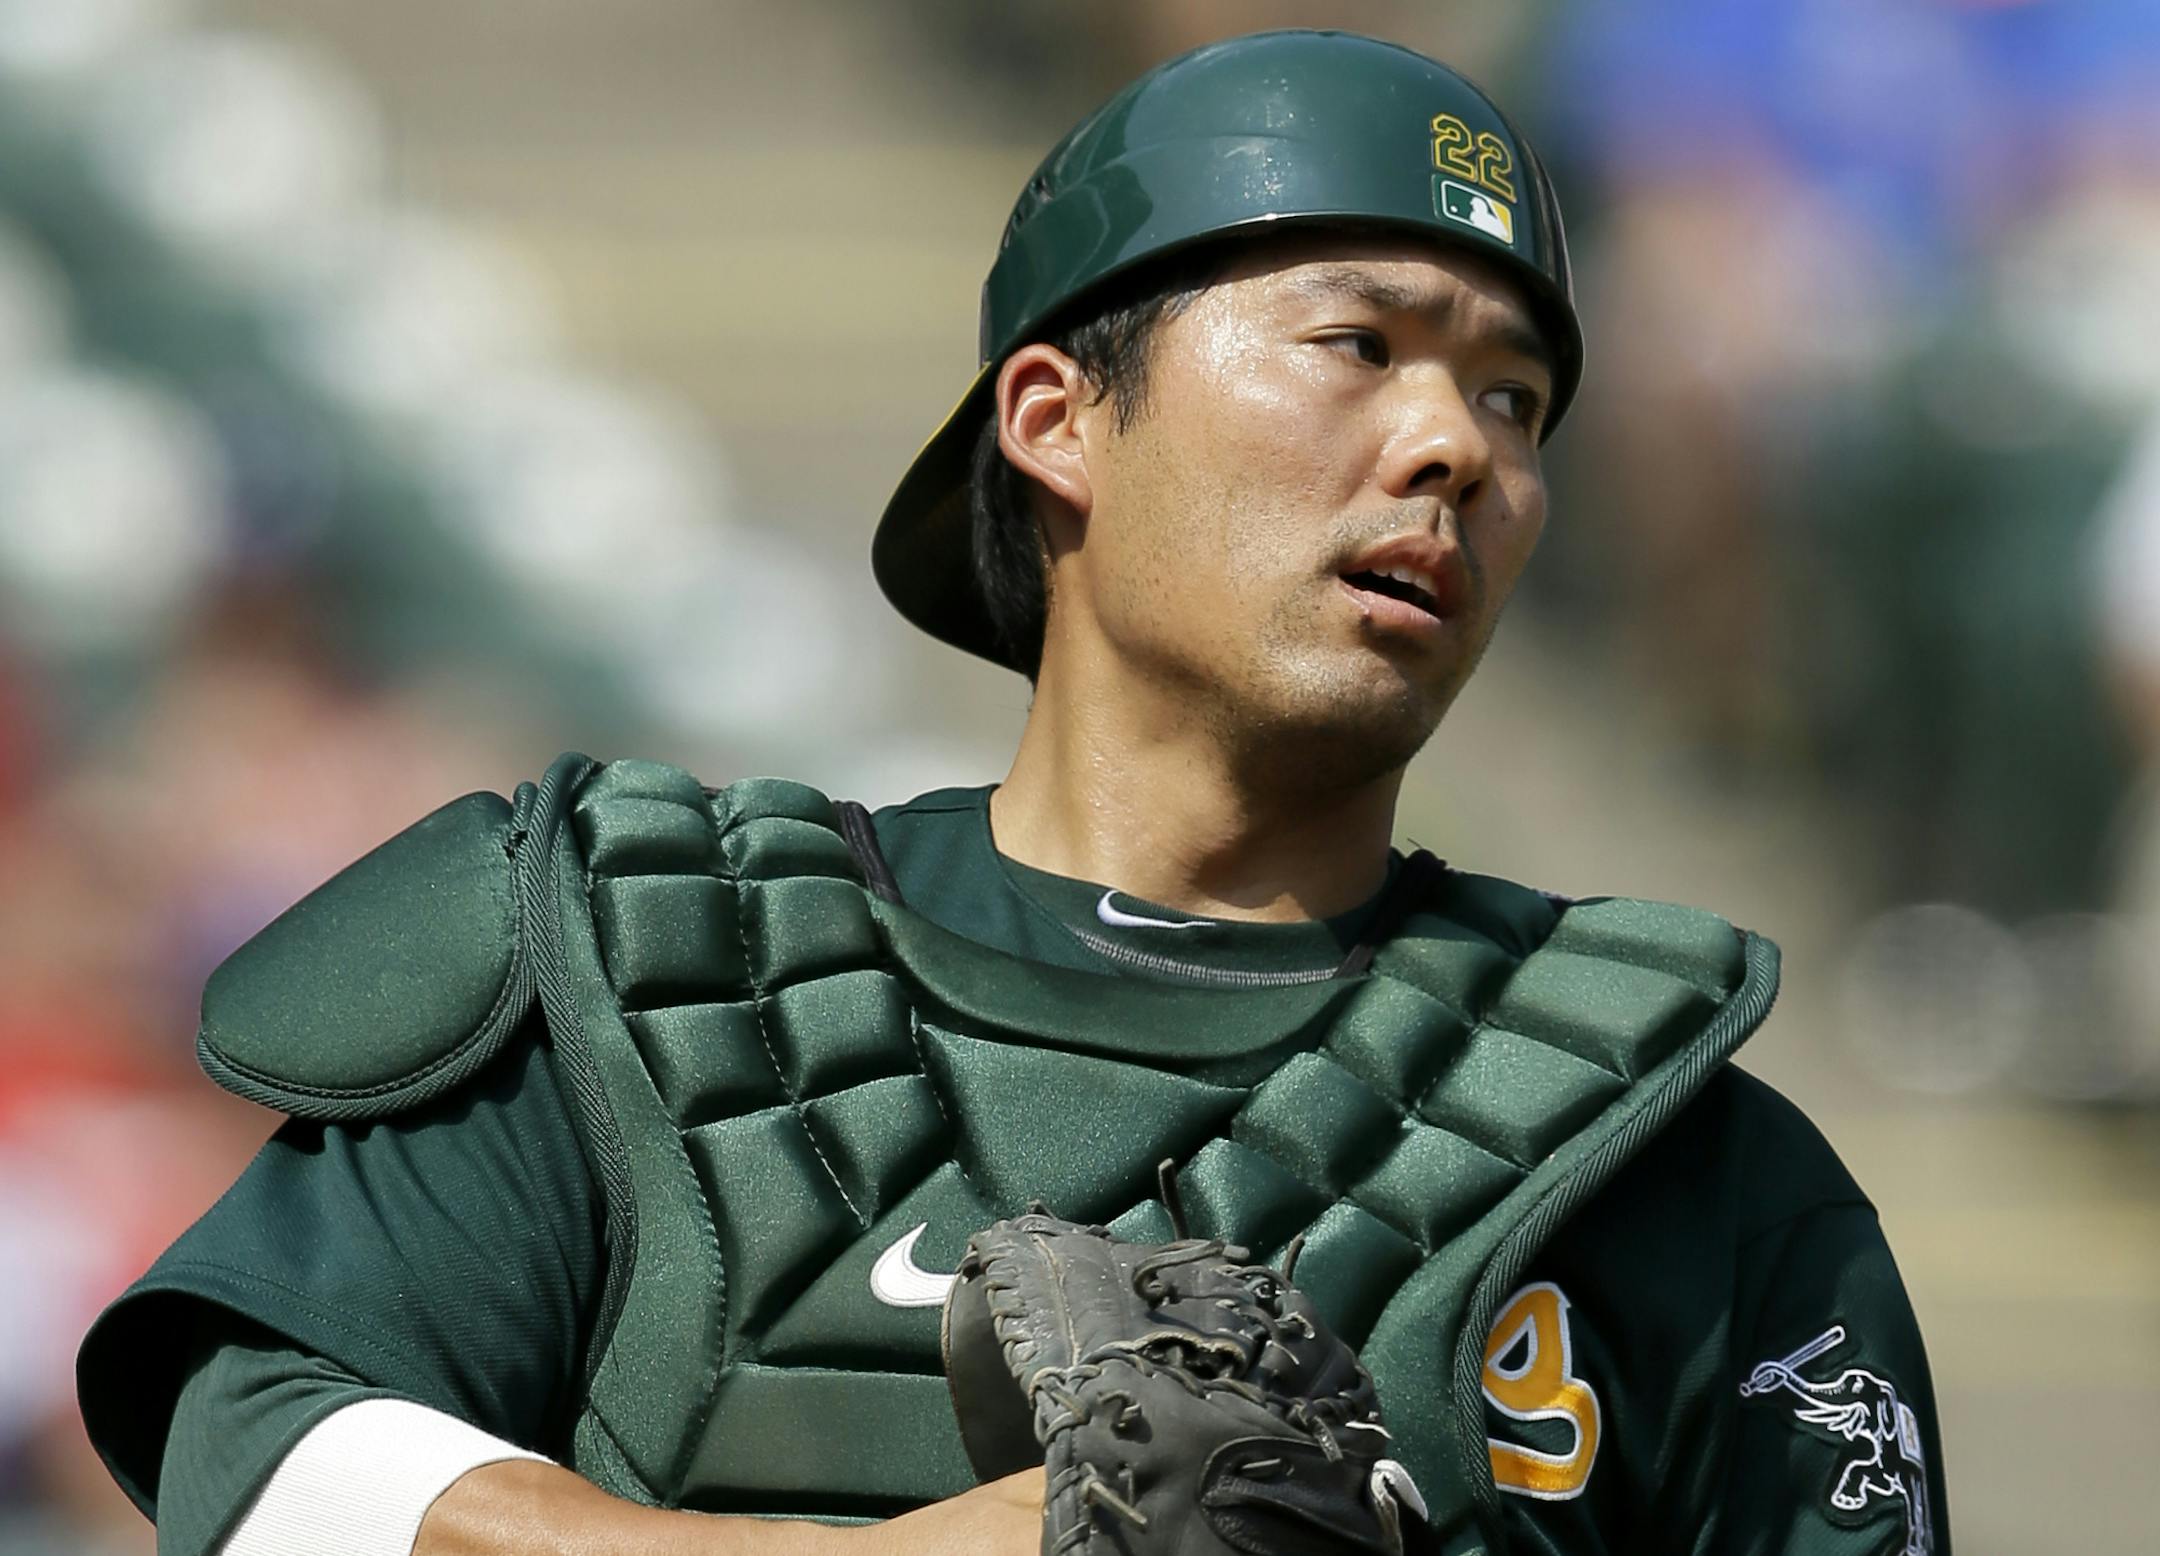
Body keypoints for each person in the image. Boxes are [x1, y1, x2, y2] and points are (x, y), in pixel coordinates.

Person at [76, 30, 1951, 1556]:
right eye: (1359, 345)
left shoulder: (1681, 1159)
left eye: (1520, 400)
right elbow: (271, 1462)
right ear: (1057, 417)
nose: (1455, 443)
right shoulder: (650, 970)